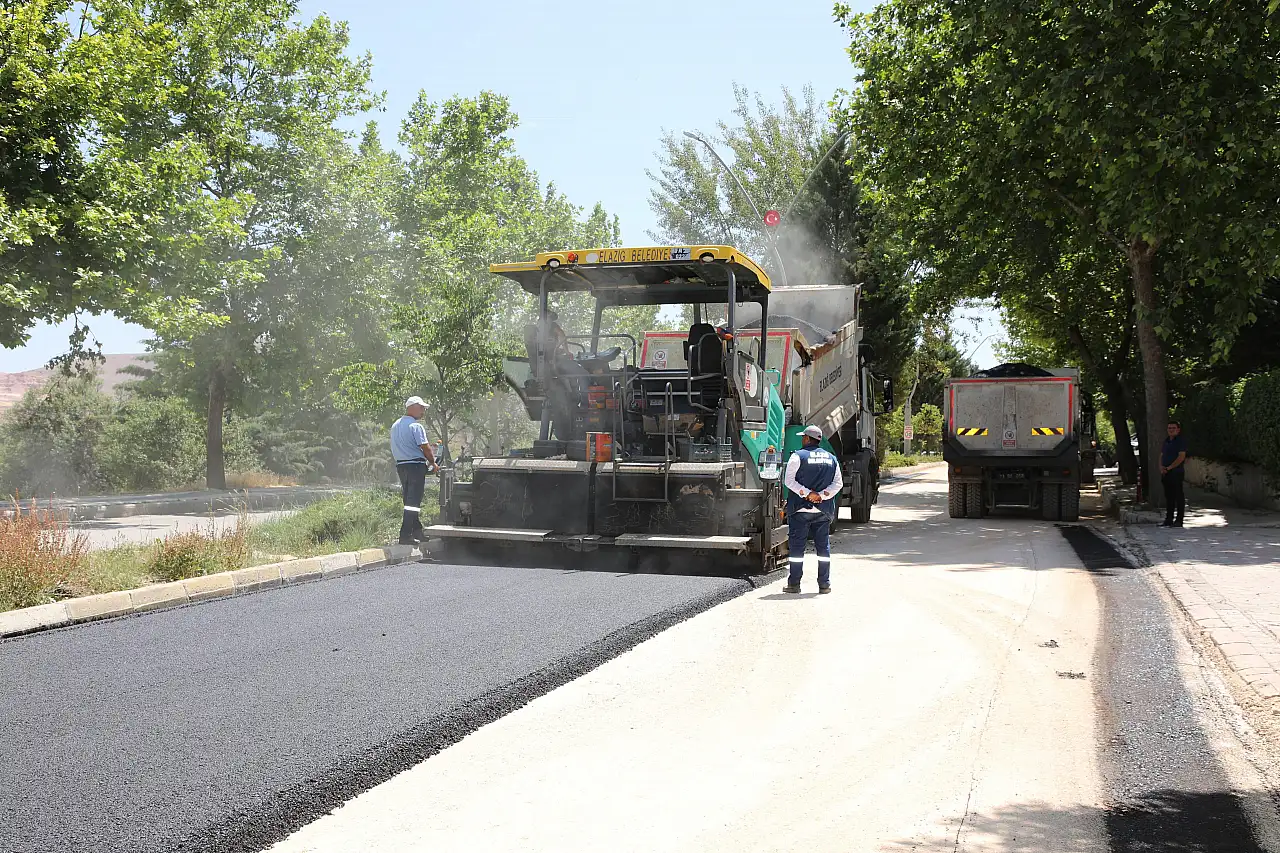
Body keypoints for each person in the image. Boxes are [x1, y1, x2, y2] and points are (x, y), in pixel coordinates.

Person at [782, 424, 843, 594]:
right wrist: (822, 496)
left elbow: (789, 482)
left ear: (807, 439)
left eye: (803, 437)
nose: (802, 439)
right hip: (823, 511)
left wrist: (808, 494)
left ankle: (794, 584)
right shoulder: (831, 458)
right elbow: (838, 484)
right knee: (823, 548)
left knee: (797, 549)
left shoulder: (797, 456)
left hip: (800, 510)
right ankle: (824, 584)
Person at [391, 396, 438, 546]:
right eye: (422, 408)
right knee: (413, 502)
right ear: (413, 407)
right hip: (415, 466)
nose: (423, 411)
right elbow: (425, 447)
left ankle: (417, 531)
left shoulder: (395, 425)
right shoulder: (415, 426)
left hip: (401, 466)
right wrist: (433, 462)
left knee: (409, 499)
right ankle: (405, 535)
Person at [1160, 420, 1188, 527]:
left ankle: (1179, 520)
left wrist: (1170, 467)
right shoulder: (1166, 441)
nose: (1171, 430)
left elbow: (1181, 457)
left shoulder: (1180, 441)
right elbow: (1161, 455)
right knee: (1169, 497)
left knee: (1178, 496)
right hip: (1166, 473)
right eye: (1169, 428)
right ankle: (1169, 519)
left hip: (1176, 472)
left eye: (1173, 428)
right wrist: (1161, 467)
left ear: (1178, 430)